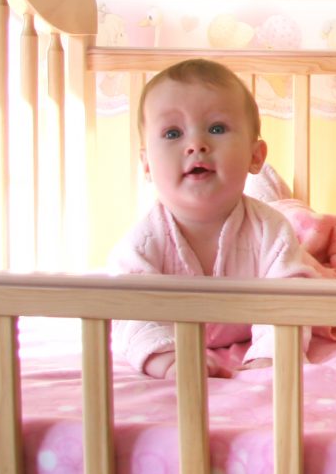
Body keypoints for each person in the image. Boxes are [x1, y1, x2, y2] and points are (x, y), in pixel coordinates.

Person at [110, 58, 316, 378]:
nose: (196, 145)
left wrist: (272, 357)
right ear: (147, 164)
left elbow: (290, 301)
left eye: (217, 128)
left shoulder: (271, 230)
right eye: (173, 133)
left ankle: (273, 190)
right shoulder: (143, 242)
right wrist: (169, 361)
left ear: (255, 156)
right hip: (173, 347)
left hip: (253, 343)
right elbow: (131, 317)